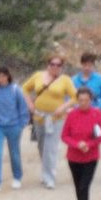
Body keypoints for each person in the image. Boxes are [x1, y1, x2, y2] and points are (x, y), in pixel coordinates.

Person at [21, 56, 75, 190]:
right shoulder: (38, 76)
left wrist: (63, 107)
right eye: (52, 64)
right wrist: (29, 104)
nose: (55, 67)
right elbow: (25, 88)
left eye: (58, 65)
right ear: (48, 64)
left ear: (62, 67)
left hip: (55, 118)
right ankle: (46, 172)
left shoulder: (65, 80)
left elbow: (75, 96)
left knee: (50, 147)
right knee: (42, 146)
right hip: (39, 116)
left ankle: (50, 177)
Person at [61, 87, 101, 200]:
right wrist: (77, 144)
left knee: (83, 187)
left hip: (90, 157)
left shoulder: (97, 114)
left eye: (86, 100)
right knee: (78, 188)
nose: (83, 103)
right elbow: (64, 136)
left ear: (91, 100)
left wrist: (89, 144)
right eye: (80, 100)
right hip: (74, 157)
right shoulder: (71, 115)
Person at [0, 66, 30, 193]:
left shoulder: (16, 90)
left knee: (14, 153)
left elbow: (22, 107)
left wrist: (22, 124)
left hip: (14, 126)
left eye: (3, 76)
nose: (1, 79)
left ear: (8, 76)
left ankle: (17, 177)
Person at [72, 53, 101, 119]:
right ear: (81, 65)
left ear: (93, 65)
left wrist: (99, 107)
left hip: (95, 114)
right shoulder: (73, 80)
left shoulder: (100, 79)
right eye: (85, 65)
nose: (87, 68)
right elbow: (67, 98)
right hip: (78, 114)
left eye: (90, 65)